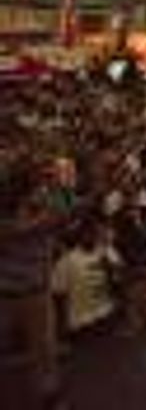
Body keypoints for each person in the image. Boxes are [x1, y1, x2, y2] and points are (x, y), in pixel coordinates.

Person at [0, 157, 69, 409]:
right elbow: (18, 230)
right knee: (42, 351)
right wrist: (56, 189)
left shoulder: (43, 207)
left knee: (44, 352)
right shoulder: (37, 213)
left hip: (31, 291)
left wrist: (55, 192)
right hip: (12, 293)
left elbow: (63, 211)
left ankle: (48, 396)